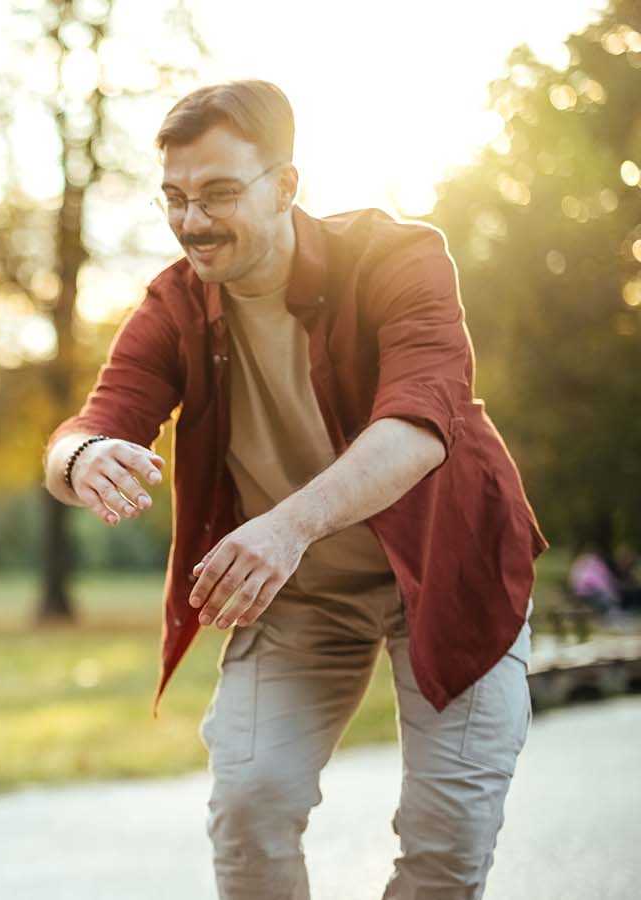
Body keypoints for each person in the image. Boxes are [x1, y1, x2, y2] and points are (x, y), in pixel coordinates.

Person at [41, 81, 547, 899]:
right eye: (174, 197)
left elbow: (419, 426)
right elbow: (92, 422)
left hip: (451, 573)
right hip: (305, 598)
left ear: (285, 186)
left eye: (218, 194)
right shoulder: (177, 302)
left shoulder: (398, 260)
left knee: (446, 842)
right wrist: (84, 457)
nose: (192, 221)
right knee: (248, 806)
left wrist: (287, 526)